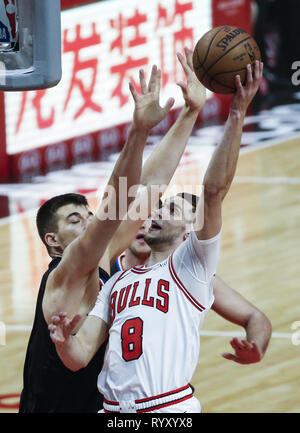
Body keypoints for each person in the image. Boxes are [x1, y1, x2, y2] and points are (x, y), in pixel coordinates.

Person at [49, 58, 267, 413]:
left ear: (189, 234)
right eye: (161, 207)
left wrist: (237, 112)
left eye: (172, 210)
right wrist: (62, 343)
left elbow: (213, 190)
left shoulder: (192, 268)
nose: (157, 211)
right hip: (113, 412)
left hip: (167, 409)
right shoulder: (115, 285)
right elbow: (79, 356)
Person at [20, 51, 207, 413]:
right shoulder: (65, 274)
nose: (88, 222)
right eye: (75, 220)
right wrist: (138, 132)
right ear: (53, 241)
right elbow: (113, 211)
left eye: (87, 215)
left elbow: (150, 186)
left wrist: (190, 113)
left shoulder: (102, 258)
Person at [111, 193, 272, 366]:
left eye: (153, 216)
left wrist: (256, 350)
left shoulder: (186, 275)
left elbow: (255, 317)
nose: (145, 224)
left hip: (164, 387)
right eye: (140, 218)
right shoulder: (104, 270)